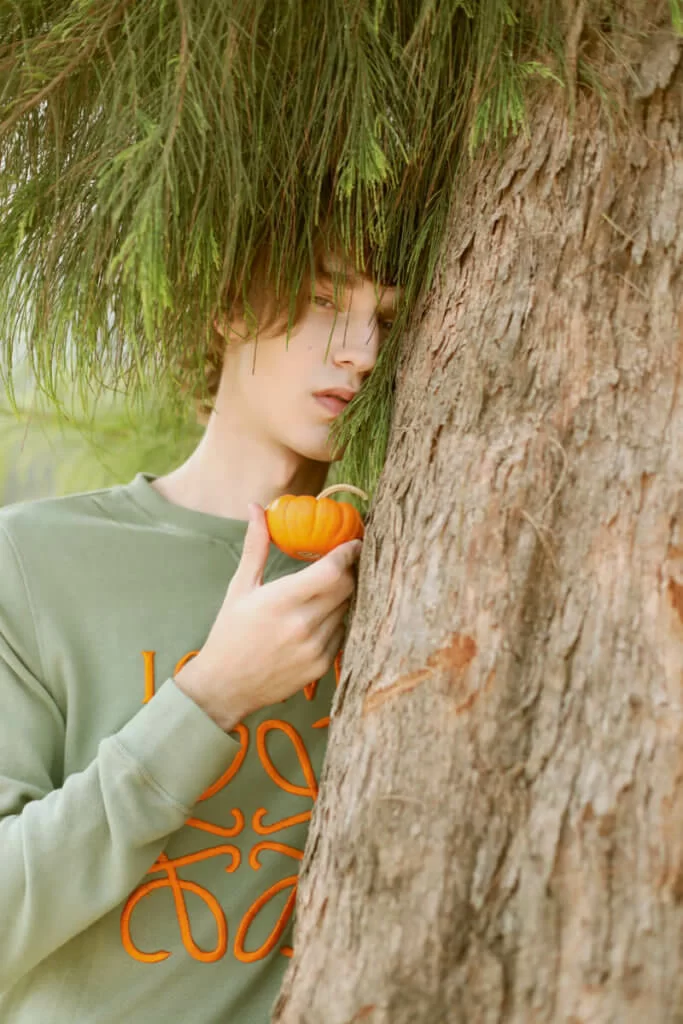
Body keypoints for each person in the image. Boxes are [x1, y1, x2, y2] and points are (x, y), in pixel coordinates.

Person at [0, 231, 398, 1022]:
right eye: (324, 300)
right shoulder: (31, 560)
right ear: (228, 304)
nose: (361, 353)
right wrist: (209, 697)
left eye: (388, 320)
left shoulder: (412, 572)